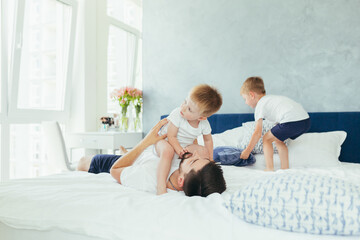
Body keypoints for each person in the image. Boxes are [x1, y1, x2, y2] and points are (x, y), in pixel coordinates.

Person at [77, 119, 226, 197]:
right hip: (147, 156)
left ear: (181, 181)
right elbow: (197, 148)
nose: (195, 155)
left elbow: (114, 169)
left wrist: (146, 141)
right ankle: (124, 152)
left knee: (83, 160)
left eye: (194, 160)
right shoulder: (186, 169)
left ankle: (124, 153)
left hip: (132, 162)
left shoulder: (147, 177)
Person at [155, 84, 222, 195]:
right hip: (165, 141)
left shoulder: (204, 124)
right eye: (185, 101)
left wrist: (210, 158)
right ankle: (160, 186)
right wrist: (179, 149)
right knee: (168, 151)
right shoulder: (177, 114)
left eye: (189, 109)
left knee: (202, 151)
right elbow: (171, 136)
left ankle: (189, 162)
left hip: (183, 146)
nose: (183, 107)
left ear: (201, 117)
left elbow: (208, 141)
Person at [239, 76, 310, 171]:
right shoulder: (272, 100)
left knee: (266, 139)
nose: (246, 103)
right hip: (305, 121)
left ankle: (269, 168)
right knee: (278, 139)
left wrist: (247, 151)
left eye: (245, 99)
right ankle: (285, 168)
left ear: (251, 95)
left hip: (292, 121)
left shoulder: (260, 105)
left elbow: (257, 133)